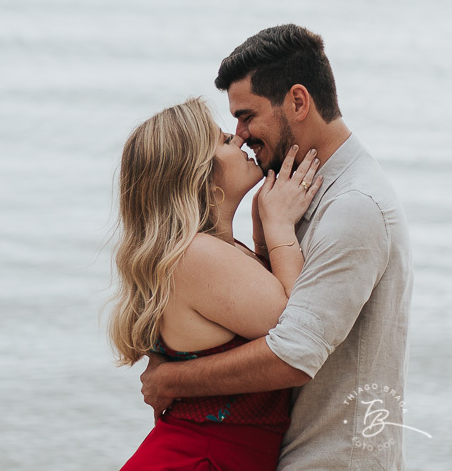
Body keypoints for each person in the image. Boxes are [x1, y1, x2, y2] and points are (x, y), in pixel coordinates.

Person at [140, 25, 413, 471]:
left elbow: (294, 351)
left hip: (332, 459)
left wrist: (173, 379)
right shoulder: (289, 195)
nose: (240, 134)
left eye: (247, 116)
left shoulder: (354, 206)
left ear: (298, 102)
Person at [111, 97, 322, 471]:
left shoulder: (208, 251)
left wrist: (262, 238)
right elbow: (297, 328)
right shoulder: (196, 254)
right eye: (225, 140)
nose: (240, 139)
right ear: (201, 176)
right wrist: (279, 226)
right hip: (201, 459)